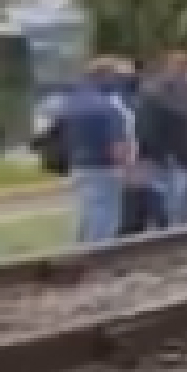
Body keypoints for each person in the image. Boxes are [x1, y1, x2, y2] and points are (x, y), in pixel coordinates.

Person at [52, 55, 138, 248]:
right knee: (105, 217)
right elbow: (117, 146)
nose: (120, 81)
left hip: (79, 165)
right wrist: (129, 170)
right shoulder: (107, 108)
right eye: (117, 76)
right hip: (104, 168)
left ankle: (79, 253)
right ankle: (98, 257)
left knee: (85, 214)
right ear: (105, 75)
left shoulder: (71, 103)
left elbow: (59, 136)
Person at [132, 50, 187, 228]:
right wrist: (158, 155)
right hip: (172, 159)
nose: (185, 69)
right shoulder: (154, 91)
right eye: (181, 65)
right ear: (169, 66)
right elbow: (147, 128)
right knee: (174, 209)